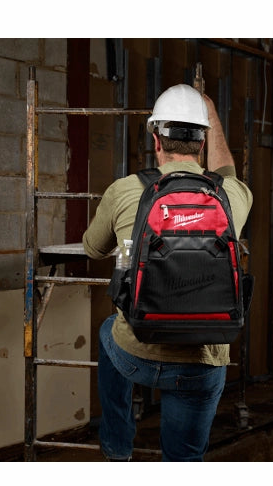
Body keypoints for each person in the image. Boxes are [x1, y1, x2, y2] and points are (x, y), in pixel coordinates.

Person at [82, 84, 253, 461]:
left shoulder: (125, 191)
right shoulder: (232, 195)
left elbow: (93, 249)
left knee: (108, 331)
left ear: (156, 141)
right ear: (203, 142)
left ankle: (117, 447)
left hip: (137, 353)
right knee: (183, 459)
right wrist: (211, 112)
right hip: (202, 362)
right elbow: (227, 172)